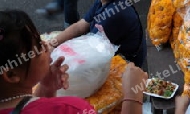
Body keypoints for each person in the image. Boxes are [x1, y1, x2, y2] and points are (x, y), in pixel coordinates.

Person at [0, 9, 148, 114]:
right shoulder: (70, 109)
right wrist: (132, 95)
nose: (46, 45)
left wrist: (46, 90)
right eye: (39, 45)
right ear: (11, 74)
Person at [53, 0, 147, 68]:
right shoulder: (106, 0)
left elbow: (91, 50)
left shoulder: (112, 15)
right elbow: (81, 25)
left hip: (127, 64)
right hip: (109, 50)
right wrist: (52, 43)